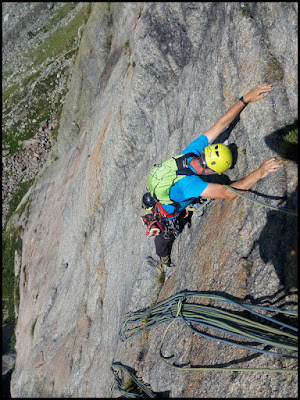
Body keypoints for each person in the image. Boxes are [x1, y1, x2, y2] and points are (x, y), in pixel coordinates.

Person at [143, 84, 283, 268]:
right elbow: (229, 193)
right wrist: (259, 173)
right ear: (214, 171)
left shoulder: (190, 153)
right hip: (169, 209)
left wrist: (245, 98)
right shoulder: (190, 185)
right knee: (163, 242)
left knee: (179, 206)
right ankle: (164, 259)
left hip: (165, 191)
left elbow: (221, 124)